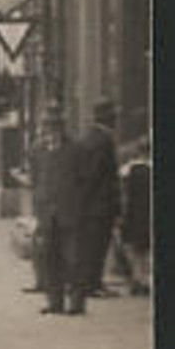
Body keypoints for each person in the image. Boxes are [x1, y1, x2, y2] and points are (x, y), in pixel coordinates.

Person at [72, 98, 122, 301]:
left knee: (92, 245)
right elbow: (94, 175)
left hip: (92, 204)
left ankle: (91, 283)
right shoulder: (103, 140)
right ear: (107, 117)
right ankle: (93, 284)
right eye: (113, 115)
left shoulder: (88, 137)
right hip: (100, 205)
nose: (116, 119)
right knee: (98, 246)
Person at [31, 104, 78, 314]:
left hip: (70, 212)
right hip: (46, 214)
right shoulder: (36, 149)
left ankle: (76, 302)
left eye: (54, 126)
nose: (50, 130)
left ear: (62, 128)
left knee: (73, 259)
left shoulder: (76, 149)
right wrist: (38, 208)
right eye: (47, 126)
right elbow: (35, 180)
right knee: (49, 259)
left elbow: (84, 181)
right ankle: (55, 302)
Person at [119, 140, 151, 296]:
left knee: (134, 248)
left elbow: (123, 194)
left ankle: (138, 279)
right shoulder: (151, 169)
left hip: (133, 212)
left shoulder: (127, 170)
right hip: (148, 212)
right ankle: (144, 280)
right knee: (145, 249)